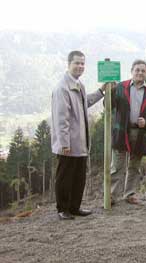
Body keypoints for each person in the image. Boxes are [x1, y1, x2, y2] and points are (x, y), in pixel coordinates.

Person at [51, 50, 106, 220]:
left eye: (82, 63)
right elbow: (61, 120)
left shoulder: (79, 85)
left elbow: (84, 103)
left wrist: (101, 91)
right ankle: (62, 209)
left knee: (78, 178)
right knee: (65, 177)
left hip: (81, 143)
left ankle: (74, 207)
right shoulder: (62, 88)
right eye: (77, 63)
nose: (80, 66)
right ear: (69, 64)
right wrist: (64, 144)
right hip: (68, 144)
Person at [109, 59, 146, 205]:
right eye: (137, 70)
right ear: (132, 71)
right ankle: (112, 196)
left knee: (134, 165)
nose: (140, 73)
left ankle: (129, 194)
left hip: (140, 134)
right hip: (121, 132)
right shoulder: (120, 87)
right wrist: (111, 91)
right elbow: (108, 105)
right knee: (117, 166)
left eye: (143, 70)